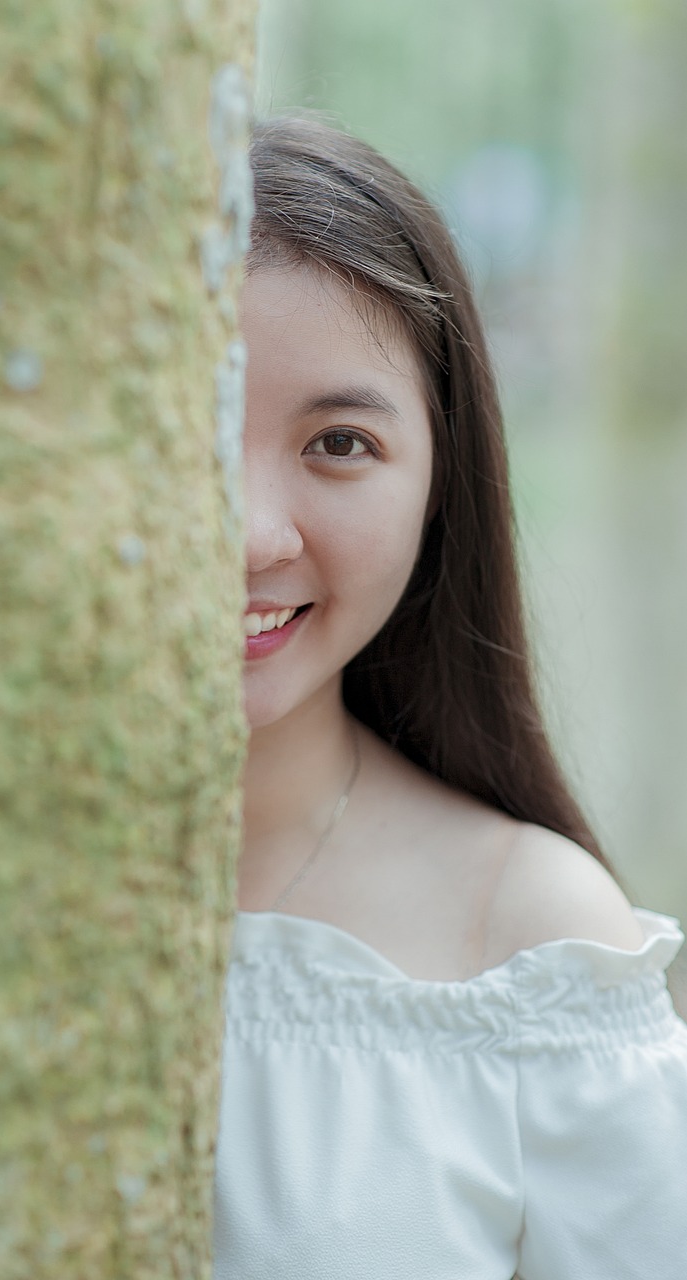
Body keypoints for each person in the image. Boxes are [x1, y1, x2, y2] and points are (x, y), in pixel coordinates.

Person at [212, 116, 687, 1280]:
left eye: (337, 441)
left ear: (439, 482)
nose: (247, 532)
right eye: (186, 430)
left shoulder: (525, 937)